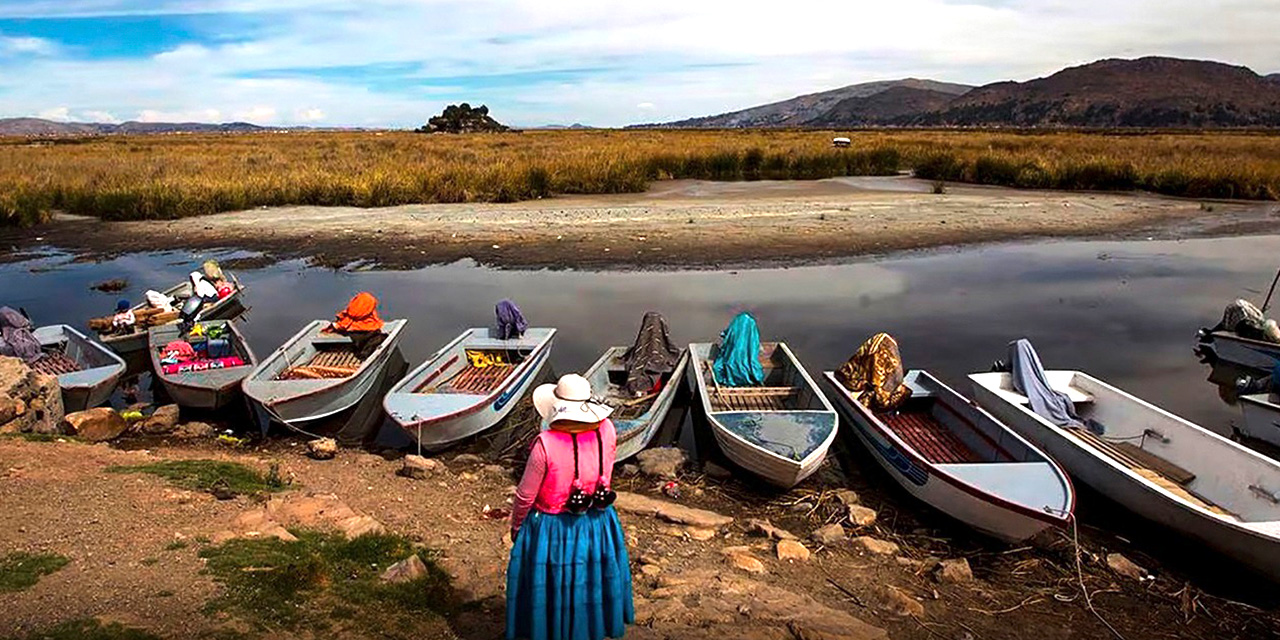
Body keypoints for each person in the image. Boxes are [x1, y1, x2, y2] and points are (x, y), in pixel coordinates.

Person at [507, 374, 634, 640]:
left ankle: (552, 629)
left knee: (553, 583)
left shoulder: (545, 445)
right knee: (590, 579)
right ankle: (589, 628)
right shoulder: (608, 430)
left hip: (554, 528)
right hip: (598, 521)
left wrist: (517, 527)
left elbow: (525, 496)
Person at [325, 292, 386, 359]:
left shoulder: (347, 321)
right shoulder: (371, 326)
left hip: (353, 335)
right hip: (363, 341)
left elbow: (338, 326)